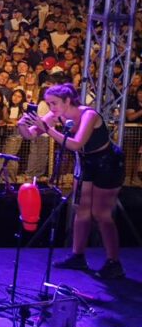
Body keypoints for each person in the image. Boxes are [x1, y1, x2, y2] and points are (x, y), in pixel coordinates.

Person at [19, 83, 125, 279]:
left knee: (101, 214)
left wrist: (47, 129)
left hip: (107, 162)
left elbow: (76, 144)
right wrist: (22, 125)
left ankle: (114, 262)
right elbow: (31, 135)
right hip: (85, 162)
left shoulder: (88, 115)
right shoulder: (56, 114)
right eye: (48, 104)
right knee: (81, 210)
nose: (51, 108)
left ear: (67, 101)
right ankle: (78, 256)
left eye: (54, 103)